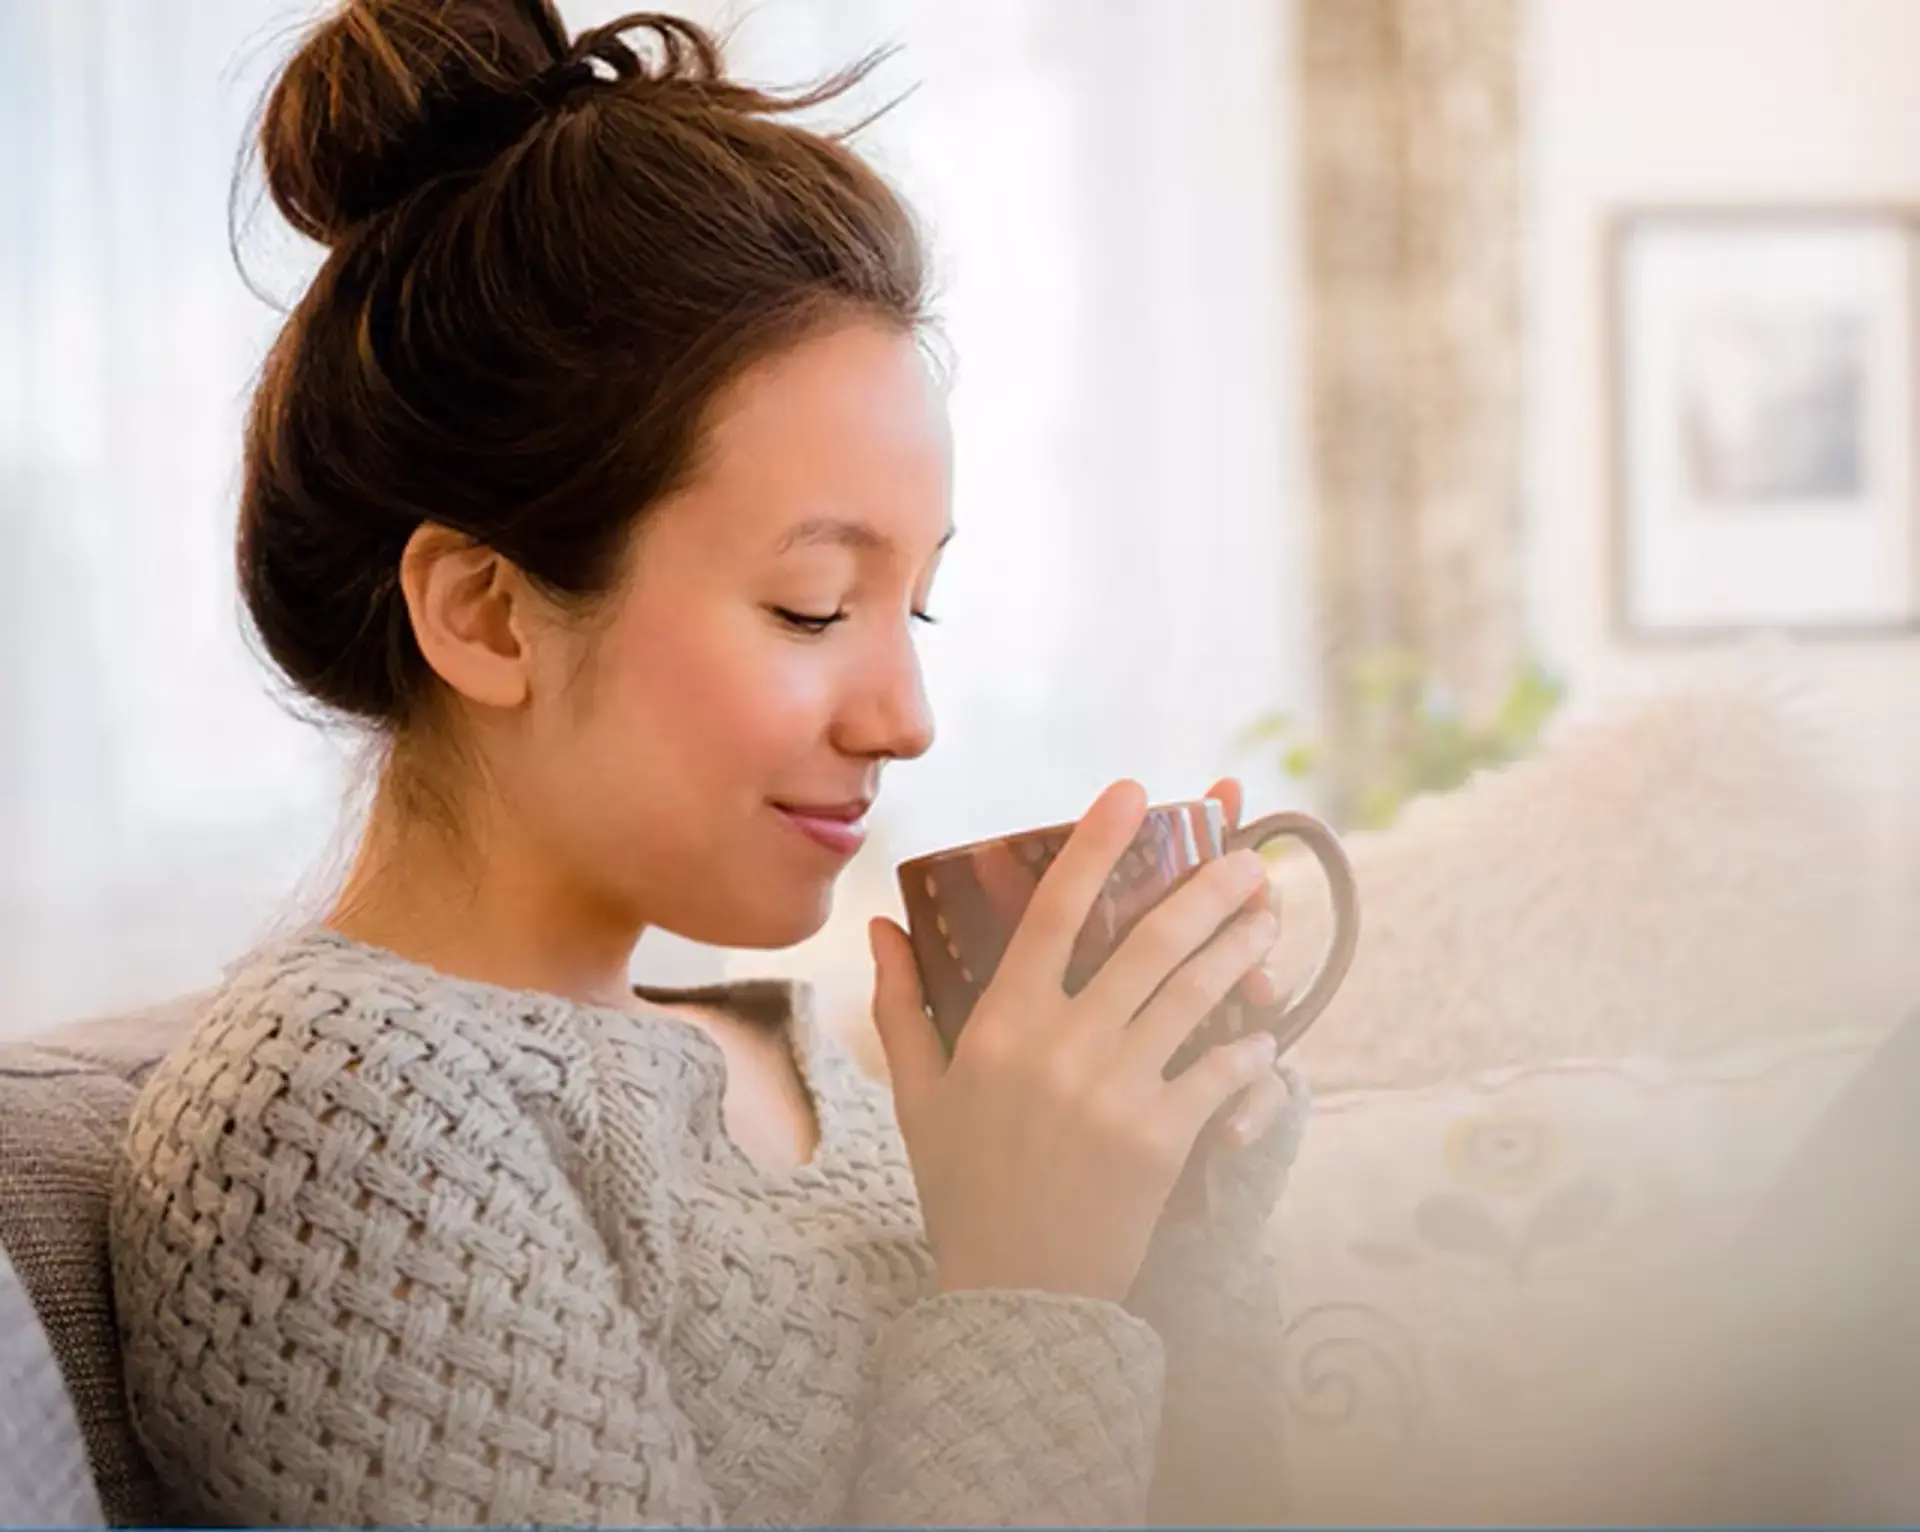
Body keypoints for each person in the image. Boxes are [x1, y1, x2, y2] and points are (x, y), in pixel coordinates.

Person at [109, 3, 1309, 1525]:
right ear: (485, 615)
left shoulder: (809, 1062)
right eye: (814, 605)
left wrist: (1165, 1225)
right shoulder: (329, 1113)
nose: (906, 714)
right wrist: (1033, 1288)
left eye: (913, 603)